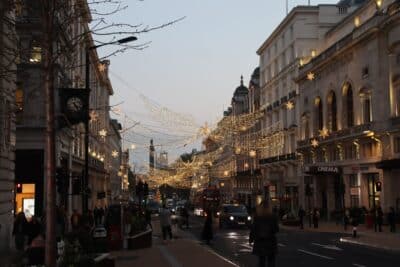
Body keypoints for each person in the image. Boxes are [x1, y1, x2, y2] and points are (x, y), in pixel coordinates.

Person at [249, 202, 279, 267]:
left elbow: (253, 229)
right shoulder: (273, 216)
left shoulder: (257, 217)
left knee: (261, 260)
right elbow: (276, 229)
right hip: (270, 241)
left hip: (260, 241)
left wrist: (251, 239)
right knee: (271, 260)